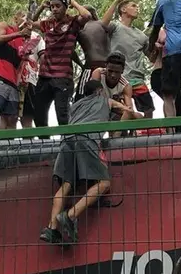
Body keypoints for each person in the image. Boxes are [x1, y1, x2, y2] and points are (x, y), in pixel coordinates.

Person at [40, 80, 124, 245]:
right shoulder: (105, 100)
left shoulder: (75, 105)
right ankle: (70, 216)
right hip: (86, 139)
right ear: (100, 91)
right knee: (104, 183)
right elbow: (129, 112)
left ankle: (52, 228)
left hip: (66, 141)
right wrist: (127, 103)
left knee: (66, 184)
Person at [33, 0, 91, 128]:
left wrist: (74, 2)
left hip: (62, 77)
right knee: (39, 114)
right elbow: (30, 23)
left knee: (62, 114)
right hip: (44, 76)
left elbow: (87, 16)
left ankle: (67, 144)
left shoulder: (73, 22)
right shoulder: (47, 24)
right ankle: (44, 144)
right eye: (52, 6)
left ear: (65, 7)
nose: (54, 9)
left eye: (58, 6)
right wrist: (41, 7)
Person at [102, 0, 154, 119]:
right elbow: (103, 24)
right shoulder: (115, 27)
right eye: (134, 6)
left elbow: (151, 57)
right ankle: (123, 136)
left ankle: (145, 135)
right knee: (121, 112)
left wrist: (158, 46)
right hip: (118, 78)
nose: (137, 8)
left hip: (137, 78)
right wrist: (117, 0)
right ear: (124, 10)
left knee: (148, 109)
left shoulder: (142, 36)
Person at [0, 10, 31, 132]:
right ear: (16, 18)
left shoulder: (23, 41)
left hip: (12, 80)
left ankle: (6, 147)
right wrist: (19, 33)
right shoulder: (5, 26)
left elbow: (19, 64)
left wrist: (25, 55)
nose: (25, 21)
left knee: (10, 117)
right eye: (22, 17)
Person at [77, 52, 140, 121]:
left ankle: (119, 130)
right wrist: (119, 105)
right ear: (106, 66)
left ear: (122, 70)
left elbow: (129, 109)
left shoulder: (126, 86)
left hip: (112, 110)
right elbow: (98, 98)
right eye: (110, 71)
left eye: (117, 72)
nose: (113, 75)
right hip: (94, 107)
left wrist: (126, 110)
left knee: (135, 115)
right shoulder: (98, 73)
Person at [75, 5, 111, 95]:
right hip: (106, 66)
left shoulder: (81, 28)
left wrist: (80, 63)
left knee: (82, 95)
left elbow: (70, 51)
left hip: (91, 66)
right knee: (107, 95)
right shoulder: (103, 25)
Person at [18, 30, 44, 129]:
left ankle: (28, 142)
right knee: (9, 116)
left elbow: (43, 58)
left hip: (29, 79)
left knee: (27, 117)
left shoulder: (36, 37)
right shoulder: (12, 34)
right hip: (12, 79)